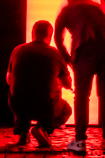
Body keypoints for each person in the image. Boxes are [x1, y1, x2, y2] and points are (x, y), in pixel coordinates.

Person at [54, 0, 105, 156]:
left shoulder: (68, 9)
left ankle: (80, 142)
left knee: (82, 95)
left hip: (86, 47)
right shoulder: (100, 5)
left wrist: (67, 59)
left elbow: (57, 37)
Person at [7, 20, 72, 148]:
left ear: (32, 33)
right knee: (67, 110)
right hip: (45, 107)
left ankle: (23, 133)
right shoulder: (55, 53)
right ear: (51, 36)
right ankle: (43, 128)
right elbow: (68, 84)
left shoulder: (17, 50)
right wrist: (56, 82)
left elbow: (9, 80)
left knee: (20, 92)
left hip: (18, 105)